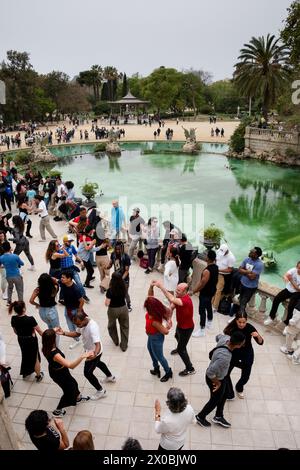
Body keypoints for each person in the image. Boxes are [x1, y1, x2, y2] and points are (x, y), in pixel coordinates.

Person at [57, 312, 116, 400]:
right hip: (89, 350)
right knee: (99, 363)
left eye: (79, 324)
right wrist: (63, 333)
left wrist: (94, 355)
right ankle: (110, 377)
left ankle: (101, 391)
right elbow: (77, 334)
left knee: (87, 373)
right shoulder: (82, 324)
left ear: (84, 319)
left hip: (94, 353)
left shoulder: (92, 327)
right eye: (76, 324)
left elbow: (98, 345)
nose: (78, 326)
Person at [195, 331, 246, 428]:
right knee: (215, 400)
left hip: (222, 376)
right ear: (238, 345)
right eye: (243, 343)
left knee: (225, 394)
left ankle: (218, 416)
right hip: (215, 378)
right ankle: (200, 417)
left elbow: (217, 336)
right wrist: (217, 383)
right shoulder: (225, 358)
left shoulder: (225, 338)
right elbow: (210, 372)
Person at [42, 329, 91, 417]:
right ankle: (57, 410)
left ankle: (78, 398)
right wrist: (82, 356)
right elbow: (71, 365)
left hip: (58, 370)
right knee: (68, 392)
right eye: (55, 336)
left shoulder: (46, 346)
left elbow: (47, 333)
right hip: (60, 375)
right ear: (52, 339)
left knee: (74, 384)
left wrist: (56, 330)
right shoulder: (55, 354)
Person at [154, 281, 195, 376]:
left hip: (187, 328)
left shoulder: (185, 300)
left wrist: (161, 286)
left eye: (179, 290)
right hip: (180, 325)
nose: (176, 292)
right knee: (177, 336)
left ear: (185, 291)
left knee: (182, 349)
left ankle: (190, 368)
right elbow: (171, 308)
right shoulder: (179, 298)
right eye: (176, 289)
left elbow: (171, 298)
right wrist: (169, 319)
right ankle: (180, 347)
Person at [224, 312, 264, 399]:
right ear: (236, 320)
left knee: (245, 377)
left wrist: (258, 336)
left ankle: (239, 387)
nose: (242, 324)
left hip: (247, 354)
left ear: (246, 321)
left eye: (244, 322)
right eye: (239, 322)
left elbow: (261, 342)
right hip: (234, 354)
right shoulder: (231, 328)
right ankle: (229, 391)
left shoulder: (249, 327)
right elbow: (225, 340)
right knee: (225, 373)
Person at [9, 301, 44, 381]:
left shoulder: (13, 318)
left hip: (21, 340)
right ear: (24, 309)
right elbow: (40, 331)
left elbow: (15, 332)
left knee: (25, 355)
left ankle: (26, 372)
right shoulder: (30, 319)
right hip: (31, 340)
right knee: (35, 358)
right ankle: (38, 376)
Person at [144, 289, 173, 382]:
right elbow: (150, 296)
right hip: (151, 337)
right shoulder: (152, 310)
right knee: (150, 350)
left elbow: (165, 331)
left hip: (156, 338)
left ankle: (168, 372)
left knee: (159, 356)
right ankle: (156, 368)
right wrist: (151, 286)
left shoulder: (155, 321)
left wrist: (168, 326)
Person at [264, 261, 300, 327]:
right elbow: (286, 275)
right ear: (296, 266)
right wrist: (286, 278)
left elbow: (298, 289)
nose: (299, 270)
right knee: (276, 299)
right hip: (288, 289)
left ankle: (287, 324)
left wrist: (291, 280)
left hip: (297, 293)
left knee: (291, 306)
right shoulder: (293, 270)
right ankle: (271, 317)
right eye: (298, 268)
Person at [192, 250, 218, 337]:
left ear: (208, 258)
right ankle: (210, 321)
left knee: (202, 310)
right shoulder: (216, 267)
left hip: (205, 293)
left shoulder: (207, 271)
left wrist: (193, 291)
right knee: (209, 306)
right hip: (212, 291)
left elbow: (202, 283)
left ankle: (202, 329)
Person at [29, 274, 60, 345]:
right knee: (57, 330)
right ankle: (55, 347)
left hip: (42, 311)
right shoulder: (54, 287)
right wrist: (54, 280)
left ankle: (50, 343)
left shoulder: (38, 289)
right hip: (51, 311)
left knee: (50, 327)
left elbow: (31, 301)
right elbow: (56, 282)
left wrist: (38, 305)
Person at [59, 234, 89, 303]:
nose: (70, 243)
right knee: (63, 284)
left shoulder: (71, 247)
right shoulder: (60, 249)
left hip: (72, 268)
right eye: (68, 241)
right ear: (64, 241)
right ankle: (61, 298)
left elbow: (76, 255)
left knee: (79, 282)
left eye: (70, 241)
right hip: (64, 270)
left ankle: (83, 295)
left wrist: (81, 261)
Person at [59, 271, 85, 349]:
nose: (61, 279)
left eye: (63, 277)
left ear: (69, 279)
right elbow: (55, 280)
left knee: (77, 326)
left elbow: (82, 301)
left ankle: (80, 338)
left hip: (74, 310)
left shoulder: (75, 289)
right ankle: (77, 339)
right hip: (67, 309)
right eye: (62, 277)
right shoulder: (63, 283)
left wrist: (78, 312)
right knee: (70, 326)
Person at [105, 272, 129, 352]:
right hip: (123, 308)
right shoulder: (124, 287)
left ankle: (116, 341)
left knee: (111, 326)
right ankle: (124, 346)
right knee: (124, 326)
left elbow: (107, 303)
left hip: (113, 310)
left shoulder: (110, 290)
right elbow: (126, 297)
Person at [238, 247, 264, 314]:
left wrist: (244, 272)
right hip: (242, 283)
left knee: (243, 303)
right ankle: (240, 316)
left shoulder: (259, 264)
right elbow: (239, 270)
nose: (250, 252)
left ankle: (241, 317)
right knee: (240, 300)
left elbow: (252, 277)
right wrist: (248, 272)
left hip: (250, 287)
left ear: (256, 255)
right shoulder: (247, 259)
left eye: (252, 252)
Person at [212, 244, 236, 312]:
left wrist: (219, 270)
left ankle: (215, 307)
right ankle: (211, 302)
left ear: (227, 251)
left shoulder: (231, 257)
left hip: (224, 275)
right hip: (216, 272)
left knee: (218, 290)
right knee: (213, 288)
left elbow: (230, 269)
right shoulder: (218, 251)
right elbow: (216, 260)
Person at [109, 241, 131, 311]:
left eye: (119, 249)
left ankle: (128, 305)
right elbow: (110, 263)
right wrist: (107, 267)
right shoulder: (113, 254)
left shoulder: (126, 257)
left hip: (124, 279)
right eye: (116, 249)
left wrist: (121, 279)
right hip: (115, 278)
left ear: (122, 248)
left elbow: (127, 271)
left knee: (125, 292)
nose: (117, 251)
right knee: (115, 292)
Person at [0, 241, 24, 306]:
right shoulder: (15, 256)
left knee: (10, 288)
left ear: (3, 249)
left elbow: (1, 265)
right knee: (19, 289)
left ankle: (9, 301)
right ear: (10, 248)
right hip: (17, 275)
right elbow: (22, 263)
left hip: (8, 276)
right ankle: (20, 303)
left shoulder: (1, 257)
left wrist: (3, 266)